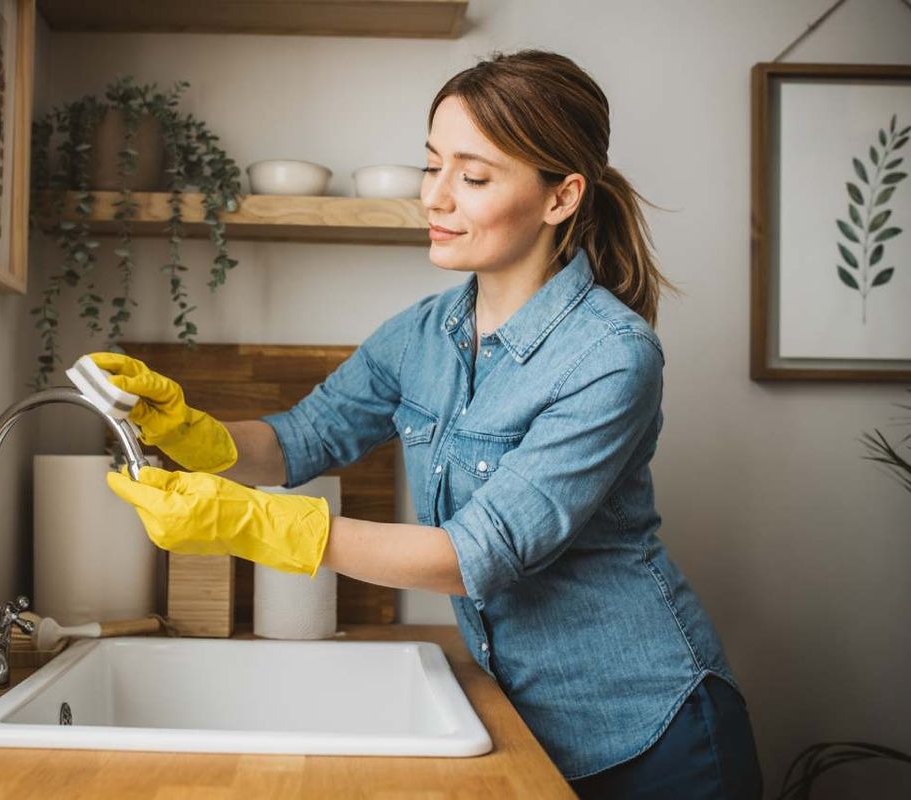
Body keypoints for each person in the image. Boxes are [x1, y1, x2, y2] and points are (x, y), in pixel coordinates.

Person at [98, 49, 763, 799]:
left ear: (561, 197)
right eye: (431, 165)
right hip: (527, 722)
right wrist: (186, 430)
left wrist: (256, 526)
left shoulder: (611, 356)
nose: (435, 198)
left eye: (473, 178)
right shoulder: (421, 334)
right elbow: (301, 440)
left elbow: (480, 554)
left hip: (653, 734)